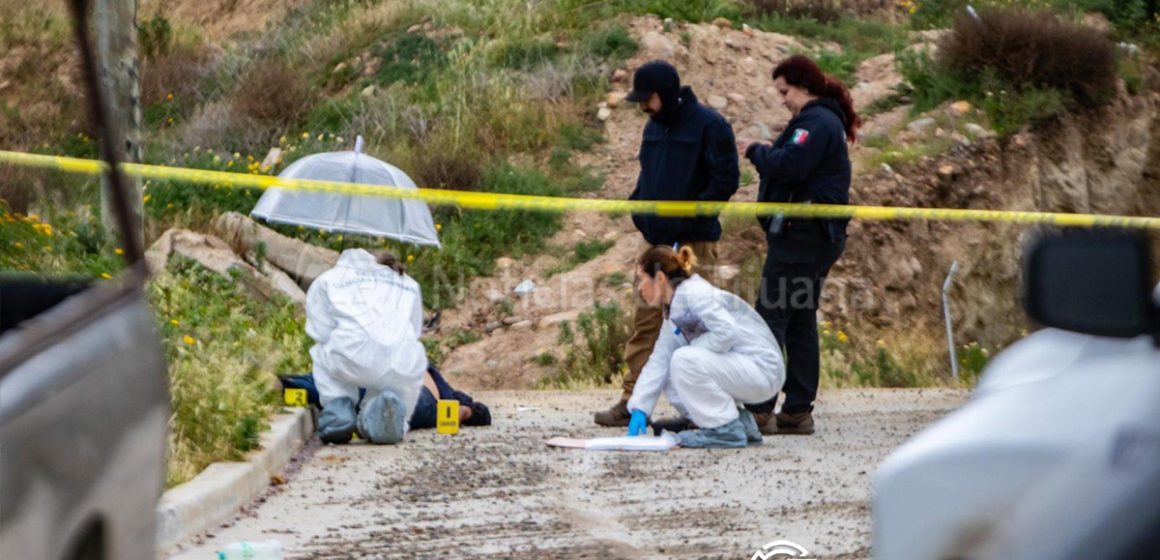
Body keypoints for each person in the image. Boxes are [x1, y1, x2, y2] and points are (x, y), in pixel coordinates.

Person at [593, 60, 741, 427]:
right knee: (645, 320)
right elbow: (647, 175)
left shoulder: (710, 125)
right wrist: (639, 209)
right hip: (654, 241)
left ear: (666, 93)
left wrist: (690, 216)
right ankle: (631, 401)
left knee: (697, 325)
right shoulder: (653, 127)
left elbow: (725, 180)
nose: (643, 106)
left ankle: (705, 409)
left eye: (648, 98)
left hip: (693, 244)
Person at [736, 55, 861, 435]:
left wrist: (755, 151)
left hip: (802, 236)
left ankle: (759, 409)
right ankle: (797, 409)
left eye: (785, 91)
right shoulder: (823, 121)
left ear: (804, 86)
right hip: (814, 235)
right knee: (799, 317)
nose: (783, 100)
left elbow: (790, 165)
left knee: (771, 317)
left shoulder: (816, 122)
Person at [623, 245, 785, 448]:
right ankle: (740, 423)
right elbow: (659, 360)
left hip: (762, 370)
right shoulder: (674, 310)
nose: (639, 288)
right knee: (672, 364)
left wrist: (693, 349)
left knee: (683, 360)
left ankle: (724, 430)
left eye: (641, 279)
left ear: (660, 278)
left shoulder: (695, 293)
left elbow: (727, 332)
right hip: (747, 370)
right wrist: (640, 408)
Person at [306, 248, 428, 444]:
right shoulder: (410, 284)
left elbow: (319, 330)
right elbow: (414, 330)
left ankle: (339, 408)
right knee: (397, 372)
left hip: (351, 356)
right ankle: (380, 411)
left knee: (321, 352)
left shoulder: (328, 279)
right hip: (403, 365)